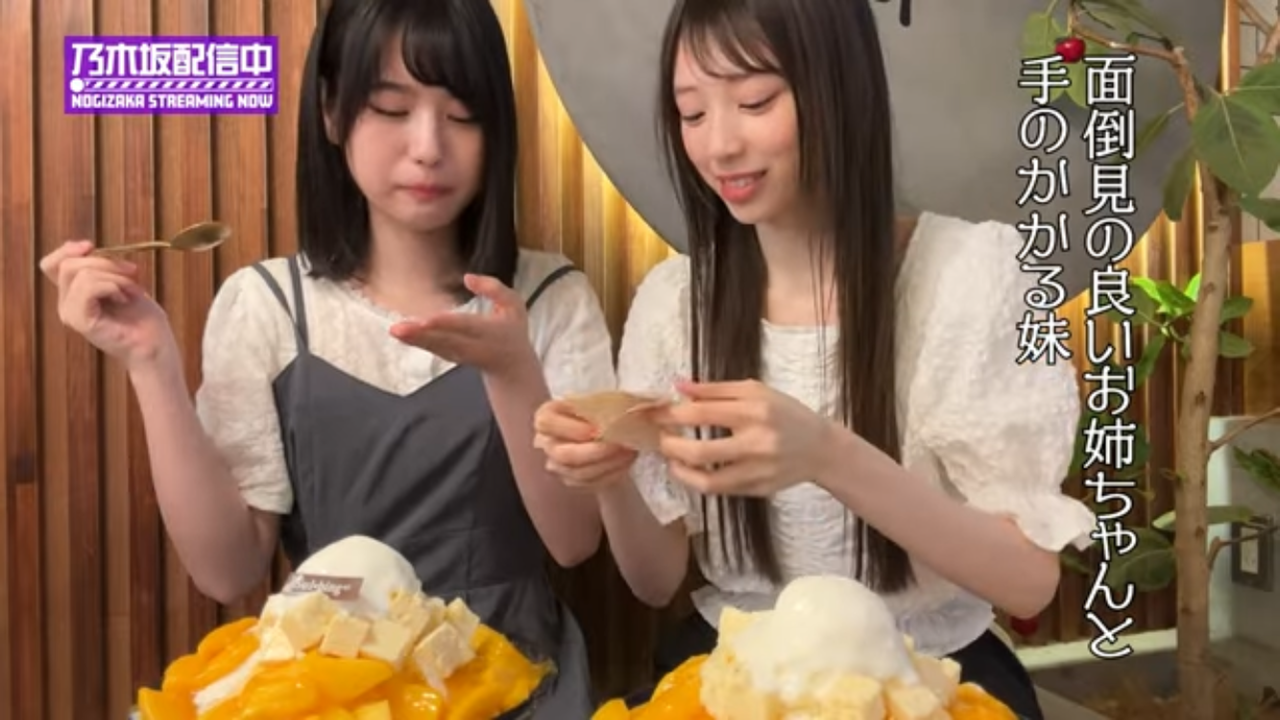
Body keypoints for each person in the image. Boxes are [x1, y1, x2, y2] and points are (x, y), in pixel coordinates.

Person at [39, 0, 612, 716]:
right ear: (333, 112)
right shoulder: (267, 306)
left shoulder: (551, 298)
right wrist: (149, 361)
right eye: (392, 108)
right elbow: (228, 571)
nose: (428, 146)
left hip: (513, 683)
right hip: (329, 687)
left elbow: (573, 542)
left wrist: (512, 369)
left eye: (462, 114)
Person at [532, 0, 1096, 717]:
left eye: (754, 101)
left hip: (925, 674)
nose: (719, 145)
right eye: (692, 112)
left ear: (838, 87)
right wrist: (612, 478)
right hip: (736, 672)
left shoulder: (969, 276)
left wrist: (827, 454)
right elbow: (655, 581)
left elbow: (1028, 583)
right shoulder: (676, 302)